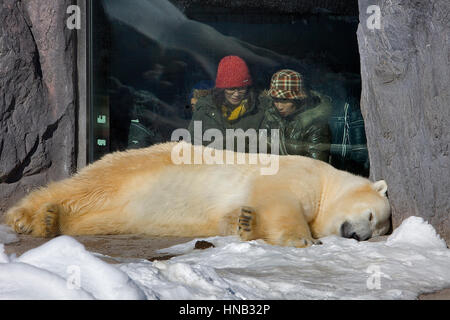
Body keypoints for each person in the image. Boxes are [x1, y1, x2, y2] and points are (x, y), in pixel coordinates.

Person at [187, 56, 268, 151]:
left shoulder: (261, 108)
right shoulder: (205, 108)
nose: (236, 94)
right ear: (222, 89)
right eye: (231, 89)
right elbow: (191, 145)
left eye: (242, 88)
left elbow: (270, 146)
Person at [261, 69, 332, 162]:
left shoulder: (315, 126)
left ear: (298, 99)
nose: (279, 106)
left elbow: (315, 168)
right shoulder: (272, 117)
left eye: (285, 100)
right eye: (275, 99)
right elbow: (261, 155)